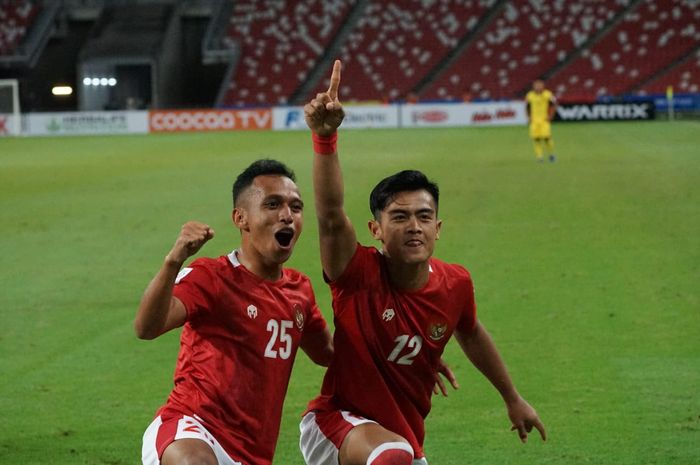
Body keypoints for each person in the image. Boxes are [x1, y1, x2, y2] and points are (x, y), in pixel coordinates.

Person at [299, 60, 546, 465]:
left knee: (399, 453)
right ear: (375, 229)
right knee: (393, 455)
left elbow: (470, 331)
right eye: (399, 217)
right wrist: (325, 139)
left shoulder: (456, 284)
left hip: (401, 436)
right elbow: (329, 216)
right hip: (338, 423)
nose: (414, 227)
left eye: (424, 217)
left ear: (438, 227)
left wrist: (512, 398)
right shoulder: (355, 272)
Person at [134, 159, 333, 465]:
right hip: (192, 428)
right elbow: (147, 327)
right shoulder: (211, 276)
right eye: (272, 204)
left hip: (252, 453)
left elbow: (330, 354)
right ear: (241, 218)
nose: (287, 216)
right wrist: (174, 261)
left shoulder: (300, 291)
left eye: (296, 207)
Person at [525, 79, 557, 163]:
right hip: (534, 121)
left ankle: (552, 155)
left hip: (544, 120)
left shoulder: (548, 94)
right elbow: (526, 107)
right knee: (536, 139)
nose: (538, 87)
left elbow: (554, 105)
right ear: (533, 86)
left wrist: (551, 116)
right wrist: (528, 117)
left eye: (540, 85)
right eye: (536, 85)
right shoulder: (529, 95)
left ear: (543, 86)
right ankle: (539, 157)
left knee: (547, 138)